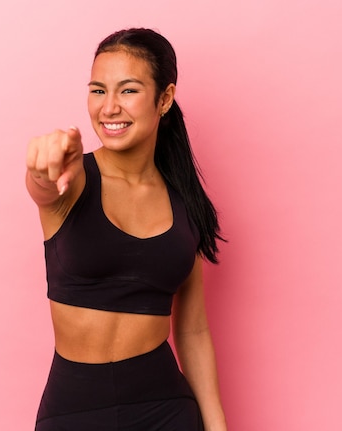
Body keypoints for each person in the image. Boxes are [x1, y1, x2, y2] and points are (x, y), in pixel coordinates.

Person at [26, 28, 227, 431]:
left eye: (128, 91)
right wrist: (42, 166)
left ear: (164, 99)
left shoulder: (184, 201)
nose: (109, 108)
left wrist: (217, 426)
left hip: (165, 409)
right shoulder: (73, 179)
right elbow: (43, 185)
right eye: (98, 91)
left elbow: (193, 328)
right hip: (75, 411)